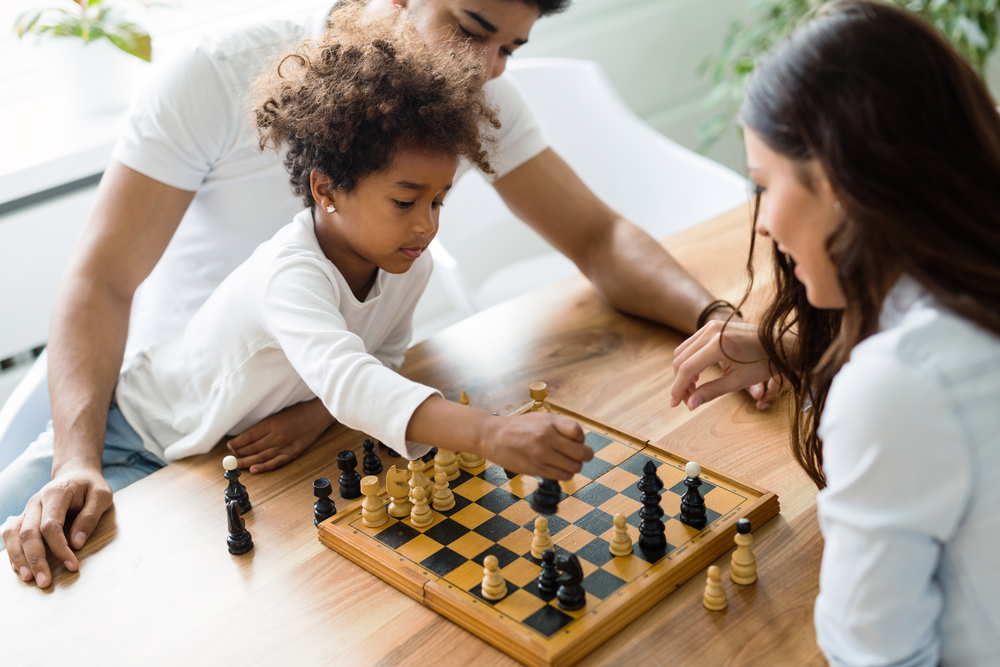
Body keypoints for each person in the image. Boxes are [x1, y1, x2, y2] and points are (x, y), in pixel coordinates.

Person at [0, 0, 761, 584]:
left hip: (278, 452)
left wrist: (720, 321)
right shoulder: (217, 73)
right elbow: (100, 280)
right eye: (472, 28)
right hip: (143, 426)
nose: (492, 69)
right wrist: (78, 458)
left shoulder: (460, 112)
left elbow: (598, 238)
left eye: (511, 48)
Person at [668, 2, 1000, 665]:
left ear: (842, 180)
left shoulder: (900, 385)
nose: (761, 224)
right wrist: (793, 346)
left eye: (765, 184)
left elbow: (874, 656)